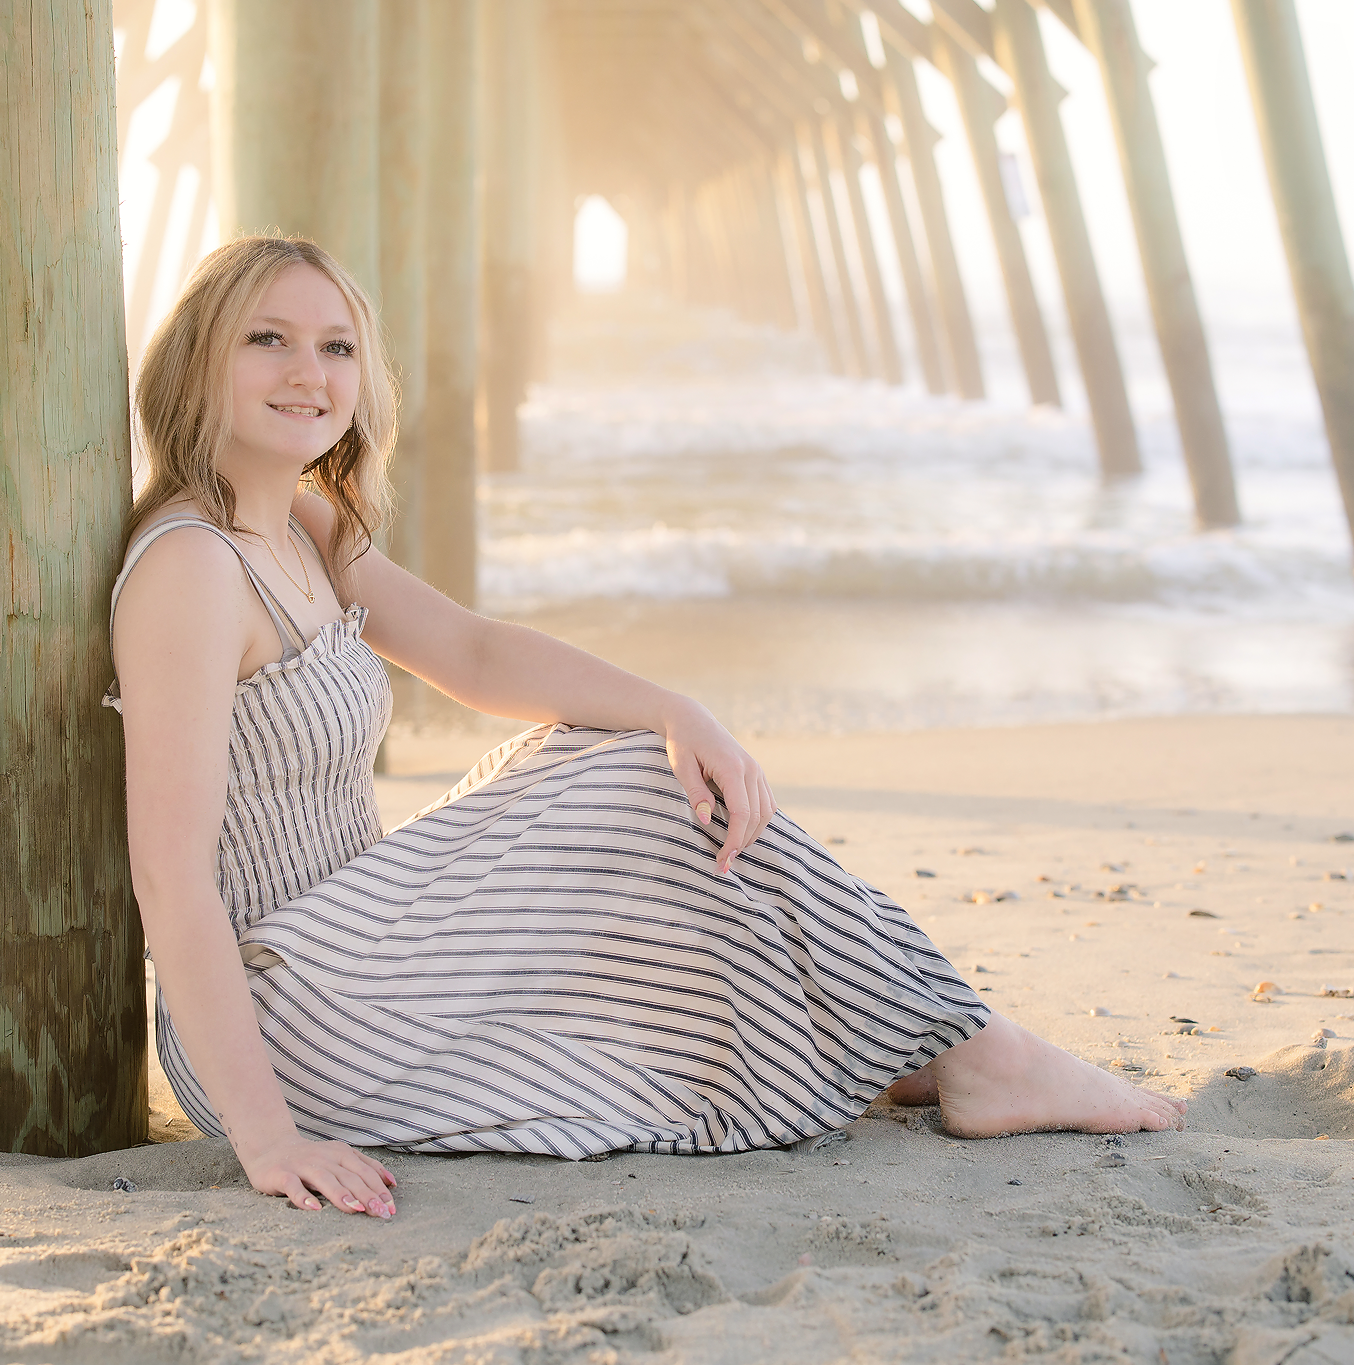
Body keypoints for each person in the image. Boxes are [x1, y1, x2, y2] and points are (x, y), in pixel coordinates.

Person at [107, 236, 1185, 1223]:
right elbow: (171, 879)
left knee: (610, 750)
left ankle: (907, 1030)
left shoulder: (302, 521)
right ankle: (976, 1051)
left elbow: (476, 654)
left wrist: (679, 709)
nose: (309, 372)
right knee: (624, 788)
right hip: (286, 1018)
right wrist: (268, 1136)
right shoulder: (193, 570)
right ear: (200, 358)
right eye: (268, 340)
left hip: (371, 957)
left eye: (335, 346)